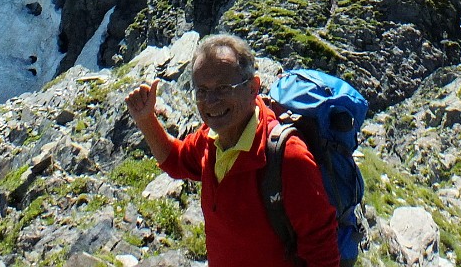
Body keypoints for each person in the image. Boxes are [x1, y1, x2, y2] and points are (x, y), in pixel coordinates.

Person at [124, 33, 340, 267]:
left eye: (224, 88)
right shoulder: (210, 138)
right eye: (202, 91)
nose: (211, 101)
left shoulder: (287, 157)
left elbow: (323, 255)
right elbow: (176, 160)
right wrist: (146, 119)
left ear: (253, 88)